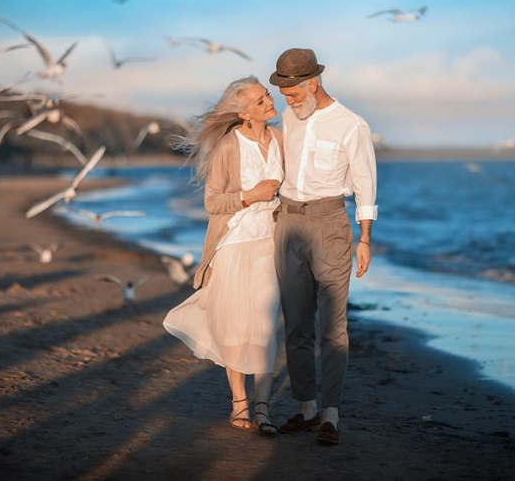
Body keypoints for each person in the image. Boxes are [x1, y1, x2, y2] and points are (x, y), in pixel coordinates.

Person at [162, 76, 284, 436]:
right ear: (243, 113)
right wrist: (251, 195)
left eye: (267, 96)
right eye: (260, 101)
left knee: (263, 328)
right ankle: (239, 404)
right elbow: (213, 202)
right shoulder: (229, 147)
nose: (268, 102)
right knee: (235, 328)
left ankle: (262, 408)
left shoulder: (280, 140)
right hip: (232, 245)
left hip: (270, 245)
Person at [269, 48, 378, 445]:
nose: (287, 100)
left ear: (312, 84)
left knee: (333, 326)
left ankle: (331, 412)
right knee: (296, 323)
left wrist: (365, 238)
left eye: (293, 93)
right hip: (288, 222)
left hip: (331, 223)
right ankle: (306, 407)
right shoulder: (288, 116)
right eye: (283, 93)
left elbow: (365, 183)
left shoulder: (352, 125)